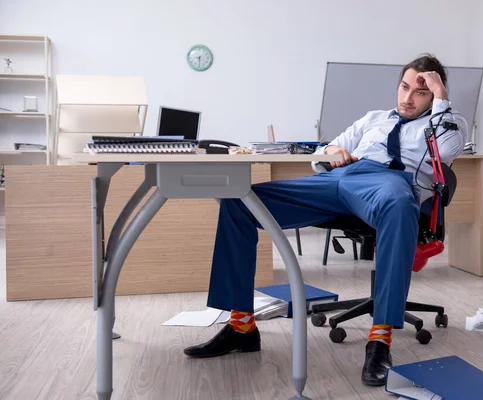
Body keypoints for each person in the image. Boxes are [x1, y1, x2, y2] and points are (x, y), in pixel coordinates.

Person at [183, 54, 468, 387]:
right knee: (239, 201)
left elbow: (446, 151)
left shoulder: (447, 122)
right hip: (339, 179)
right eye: (404, 87)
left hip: (388, 183)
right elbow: (330, 149)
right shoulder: (374, 118)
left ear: (434, 95)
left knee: (398, 205)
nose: (407, 98)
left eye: (420, 92)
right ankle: (241, 327)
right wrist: (334, 154)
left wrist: (441, 97)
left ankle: (380, 339)